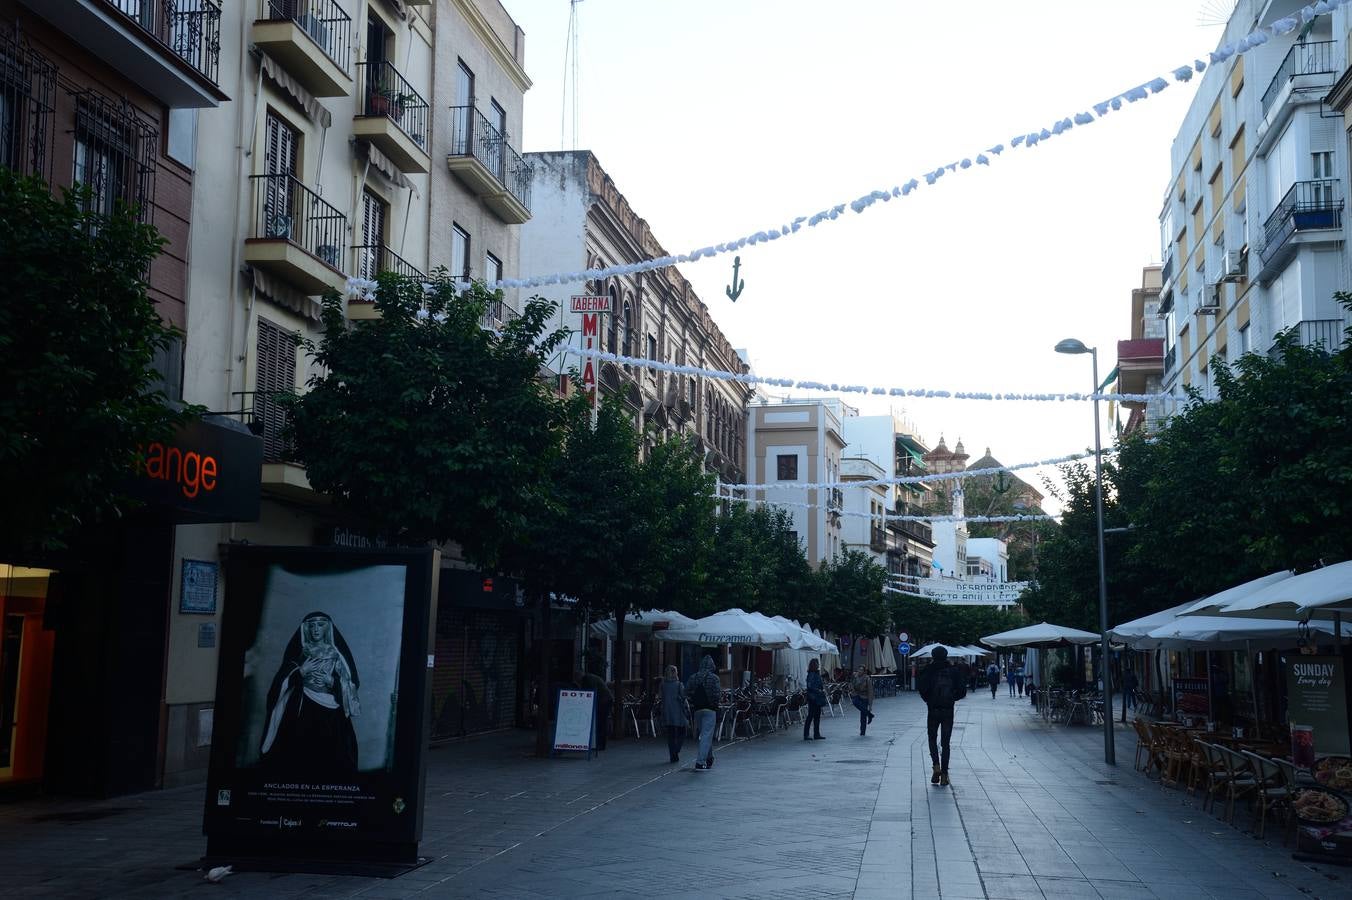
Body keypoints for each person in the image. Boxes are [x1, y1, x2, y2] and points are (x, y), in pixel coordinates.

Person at [260, 611, 360, 777]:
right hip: (303, 706)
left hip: (332, 711)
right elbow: (280, 682)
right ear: (306, 629)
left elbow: (351, 684)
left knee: (334, 753)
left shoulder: (336, 654)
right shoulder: (300, 653)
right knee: (300, 751)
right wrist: (300, 672)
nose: (315, 629)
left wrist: (332, 682)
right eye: (311, 626)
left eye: (320, 625)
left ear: (327, 629)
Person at [918, 647, 966, 786]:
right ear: (946, 656)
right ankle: (944, 775)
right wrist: (952, 698)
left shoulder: (928, 670)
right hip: (948, 710)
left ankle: (936, 766)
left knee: (932, 738)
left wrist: (928, 699)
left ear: (933, 656)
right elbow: (962, 691)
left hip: (933, 709)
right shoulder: (954, 671)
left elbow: (921, 688)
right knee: (946, 743)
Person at [686, 654, 722, 770]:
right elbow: (717, 695)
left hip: (697, 710)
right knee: (706, 735)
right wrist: (714, 703)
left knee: (705, 734)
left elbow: (687, 692)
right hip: (710, 710)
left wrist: (693, 699)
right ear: (712, 666)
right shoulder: (715, 678)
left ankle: (709, 757)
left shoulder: (693, 677)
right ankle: (700, 761)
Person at [576, 664, 613, 751]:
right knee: (601, 722)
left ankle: (600, 744)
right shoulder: (589, 678)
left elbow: (590, 693)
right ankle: (599, 744)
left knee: (601, 722)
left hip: (603, 701)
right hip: (605, 700)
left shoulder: (587, 680)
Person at [660, 665, 687, 764]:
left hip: (667, 713)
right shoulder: (679, 684)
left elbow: (662, 697)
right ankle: (676, 749)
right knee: (682, 731)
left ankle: (673, 755)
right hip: (678, 713)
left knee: (671, 735)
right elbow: (683, 697)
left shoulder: (663, 685)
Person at [803, 658, 826, 742]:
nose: (818, 665)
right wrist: (818, 690)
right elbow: (810, 686)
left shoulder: (815, 674)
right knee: (811, 716)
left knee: (817, 716)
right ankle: (806, 734)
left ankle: (816, 734)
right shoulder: (812, 674)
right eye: (817, 664)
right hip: (813, 698)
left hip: (817, 697)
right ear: (814, 665)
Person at [850, 665, 875, 736]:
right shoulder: (855, 676)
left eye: (861, 670)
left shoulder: (867, 679)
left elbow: (870, 692)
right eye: (859, 669)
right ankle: (869, 715)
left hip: (865, 697)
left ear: (864, 672)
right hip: (857, 695)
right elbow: (852, 684)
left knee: (863, 715)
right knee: (855, 702)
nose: (860, 671)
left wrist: (870, 705)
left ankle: (862, 732)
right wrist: (852, 690)